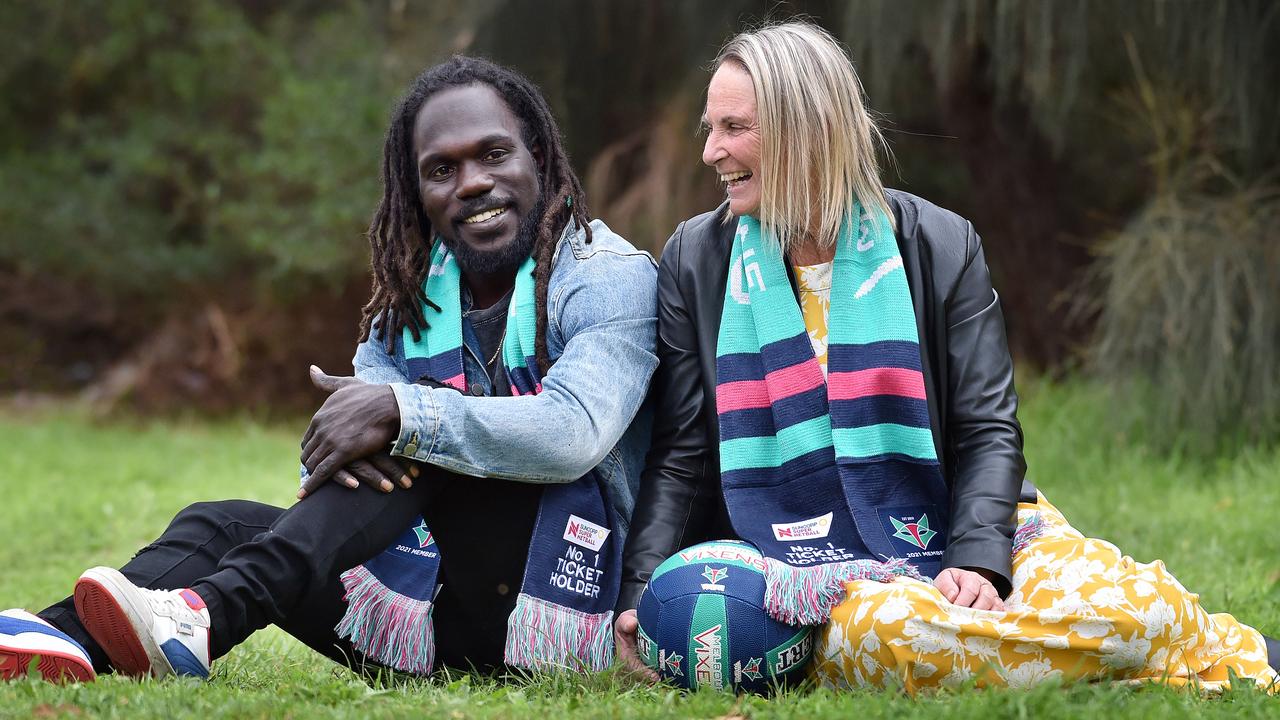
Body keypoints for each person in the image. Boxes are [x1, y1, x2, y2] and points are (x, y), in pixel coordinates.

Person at [614, 22, 1279, 692]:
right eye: (709, 127)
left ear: (805, 129)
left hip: (964, 517)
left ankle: (1116, 649)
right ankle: (1141, 660)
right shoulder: (696, 261)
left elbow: (986, 430)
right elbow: (685, 454)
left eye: (733, 128)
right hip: (805, 568)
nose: (710, 152)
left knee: (1131, 610)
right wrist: (641, 593)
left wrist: (980, 559)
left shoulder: (940, 243)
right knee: (886, 634)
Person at [0, 56, 657, 683]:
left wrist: (404, 412)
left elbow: (575, 432)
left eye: (493, 154)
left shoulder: (608, 279)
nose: (473, 182)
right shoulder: (406, 308)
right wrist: (374, 429)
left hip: (567, 615)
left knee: (418, 426)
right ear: (417, 190)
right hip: (429, 614)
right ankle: (55, 637)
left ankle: (209, 616)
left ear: (535, 154)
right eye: (441, 169)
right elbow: (338, 465)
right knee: (218, 524)